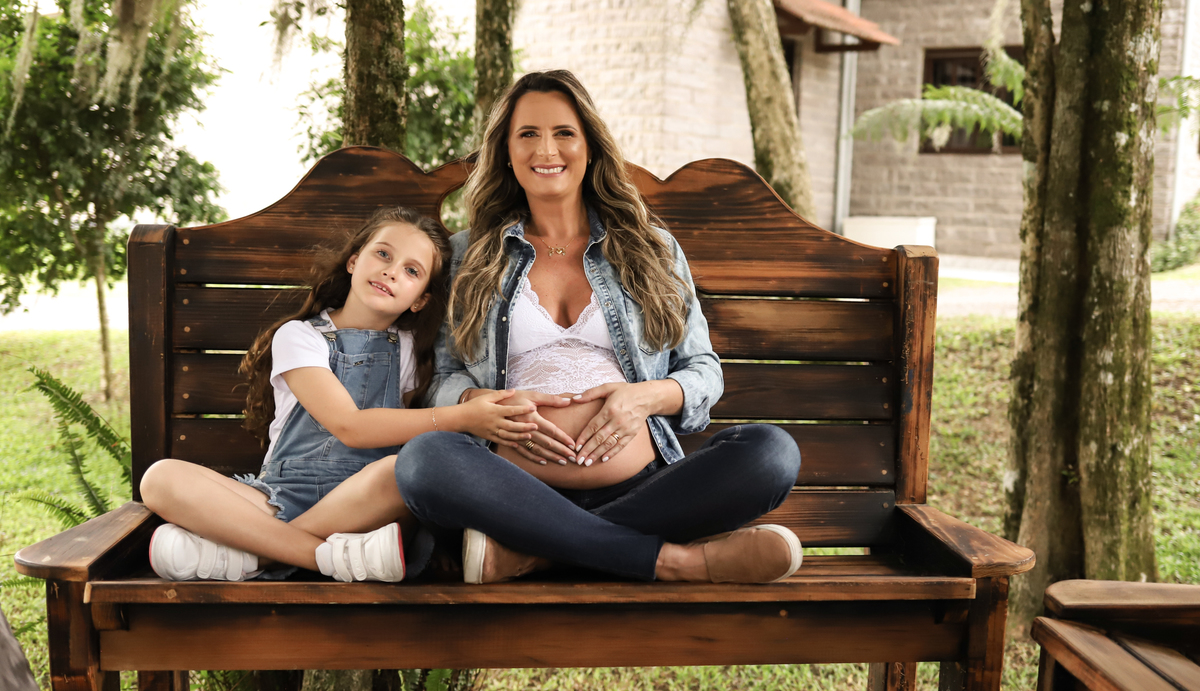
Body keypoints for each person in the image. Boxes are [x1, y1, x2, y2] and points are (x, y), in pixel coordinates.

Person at [393, 70, 803, 584]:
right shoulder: (467, 254)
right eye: (528, 133)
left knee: (771, 454)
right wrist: (478, 404)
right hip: (508, 491)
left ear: (590, 148)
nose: (547, 149)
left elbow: (703, 370)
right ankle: (673, 562)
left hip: (644, 486)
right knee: (422, 461)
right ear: (505, 152)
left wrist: (644, 399)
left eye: (564, 132)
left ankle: (537, 553)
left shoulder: (651, 248)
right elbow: (439, 378)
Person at [139, 207, 538, 583]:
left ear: (420, 299)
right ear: (353, 261)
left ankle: (253, 553)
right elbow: (350, 426)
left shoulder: (412, 352)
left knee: (399, 471)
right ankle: (322, 557)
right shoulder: (300, 337)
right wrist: (462, 417)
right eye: (383, 254)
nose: (391, 271)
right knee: (161, 478)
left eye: (411, 270)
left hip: (364, 507)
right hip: (280, 496)